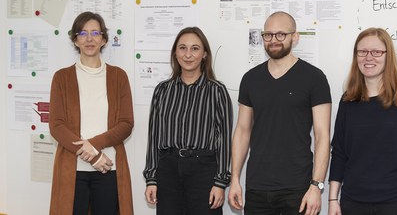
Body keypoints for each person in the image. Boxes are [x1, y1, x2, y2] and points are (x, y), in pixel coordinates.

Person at [228, 11, 332, 215]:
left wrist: (316, 186)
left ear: (295, 36)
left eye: (280, 34)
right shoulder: (250, 79)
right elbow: (242, 131)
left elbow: (322, 136)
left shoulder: (314, 78)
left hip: (298, 189)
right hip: (257, 188)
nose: (273, 40)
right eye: (268, 35)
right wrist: (234, 180)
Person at [328, 27, 397, 215]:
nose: (368, 57)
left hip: (395, 202)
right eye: (362, 52)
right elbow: (340, 152)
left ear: (387, 55)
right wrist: (333, 199)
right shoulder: (348, 100)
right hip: (352, 202)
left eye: (376, 52)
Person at [49, 11, 134, 215]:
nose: (89, 39)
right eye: (83, 33)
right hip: (72, 171)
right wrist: (93, 156)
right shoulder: (61, 78)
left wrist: (93, 146)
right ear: (75, 40)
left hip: (109, 168)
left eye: (95, 33)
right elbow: (57, 126)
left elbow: (126, 123)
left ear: (103, 39)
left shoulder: (118, 76)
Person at [143, 27, 233, 215]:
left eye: (195, 48)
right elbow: (154, 136)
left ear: (205, 54)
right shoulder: (162, 90)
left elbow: (224, 139)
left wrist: (220, 182)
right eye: (182, 48)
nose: (188, 55)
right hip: (168, 169)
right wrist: (151, 178)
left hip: (204, 171)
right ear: (175, 53)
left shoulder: (217, 91)